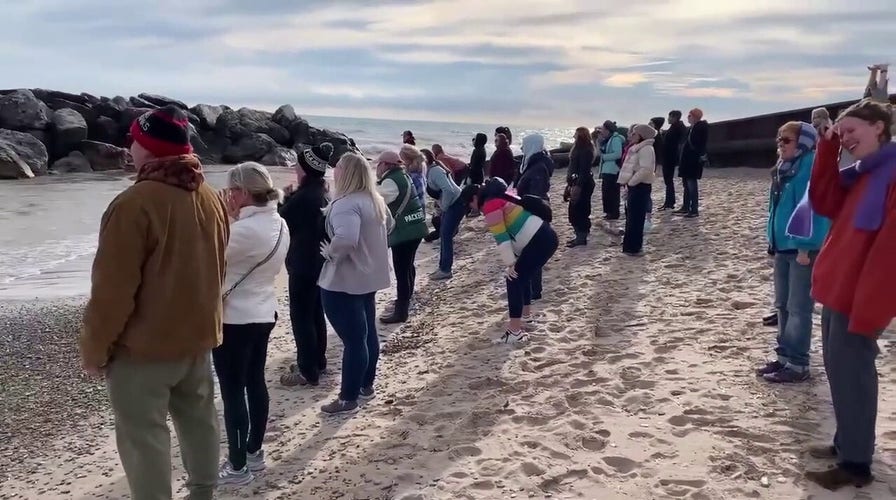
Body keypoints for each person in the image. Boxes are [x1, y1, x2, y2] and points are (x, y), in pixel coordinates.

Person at [79, 106, 228, 500]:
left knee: (144, 438)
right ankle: (203, 493)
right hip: (198, 340)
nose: (129, 145)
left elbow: (112, 292)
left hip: (143, 350)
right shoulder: (211, 198)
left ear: (149, 147)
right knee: (200, 423)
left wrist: (95, 350)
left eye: (135, 139)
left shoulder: (133, 205)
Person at [800, 99, 896, 490]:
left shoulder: (890, 173)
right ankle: (847, 443)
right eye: (844, 134)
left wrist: (869, 308)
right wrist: (827, 148)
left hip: (858, 295)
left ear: (880, 127)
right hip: (838, 288)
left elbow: (890, 252)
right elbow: (824, 200)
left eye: (853, 130)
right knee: (840, 371)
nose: (848, 139)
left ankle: (856, 465)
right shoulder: (862, 173)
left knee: (854, 375)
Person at [215, 162, 289, 485]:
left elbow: (211, 257)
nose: (228, 196)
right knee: (255, 382)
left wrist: (223, 216)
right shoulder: (280, 223)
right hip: (263, 311)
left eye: (231, 190)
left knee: (232, 391)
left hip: (236, 317)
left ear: (243, 192)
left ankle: (237, 466)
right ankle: (255, 453)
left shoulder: (241, 230)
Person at [318, 152, 392, 414]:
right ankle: (365, 385)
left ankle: (348, 398)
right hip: (369, 277)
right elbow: (389, 227)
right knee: (367, 334)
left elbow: (347, 238)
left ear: (345, 173)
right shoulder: (375, 200)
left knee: (354, 339)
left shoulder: (346, 204)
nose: (333, 171)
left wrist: (330, 253)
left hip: (344, 280)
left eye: (337, 167)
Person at [755, 122, 829, 384]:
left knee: (799, 307)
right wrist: (771, 241)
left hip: (801, 249)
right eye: (778, 140)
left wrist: (806, 247)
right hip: (783, 245)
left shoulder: (809, 167)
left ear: (803, 142)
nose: (780, 145)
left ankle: (798, 364)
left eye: (786, 140)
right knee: (783, 306)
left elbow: (814, 210)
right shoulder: (784, 169)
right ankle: (784, 357)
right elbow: (775, 209)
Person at [466, 178, 559, 342]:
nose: (471, 208)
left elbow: (501, 237)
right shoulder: (501, 198)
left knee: (513, 279)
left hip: (539, 240)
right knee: (522, 276)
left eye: (469, 205)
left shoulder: (490, 205)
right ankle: (526, 315)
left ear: (474, 198)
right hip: (545, 235)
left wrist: (510, 264)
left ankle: (514, 331)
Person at [278, 143, 332, 387]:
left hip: (303, 263)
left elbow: (282, 221)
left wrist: (284, 198)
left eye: (298, 167)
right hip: (319, 261)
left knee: (301, 317)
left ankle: (307, 369)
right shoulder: (321, 192)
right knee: (315, 313)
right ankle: (317, 361)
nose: (295, 171)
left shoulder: (305, 196)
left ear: (306, 170)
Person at [375, 151, 428, 323]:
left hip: (405, 231)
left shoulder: (391, 181)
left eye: (379, 164)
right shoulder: (403, 176)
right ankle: (407, 299)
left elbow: (376, 201)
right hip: (416, 226)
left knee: (402, 271)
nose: (377, 168)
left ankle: (401, 311)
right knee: (408, 266)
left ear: (386, 165)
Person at [514, 133, 553, 299]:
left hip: (534, 214)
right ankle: (531, 288)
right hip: (531, 211)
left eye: (524, 145)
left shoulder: (538, 167)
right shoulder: (533, 163)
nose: (522, 148)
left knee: (532, 252)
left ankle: (534, 290)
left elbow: (536, 196)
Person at [617, 124, 656, 256]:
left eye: (634, 133)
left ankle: (633, 248)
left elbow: (646, 169)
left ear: (641, 135)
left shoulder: (646, 149)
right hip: (634, 186)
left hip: (640, 186)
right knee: (631, 217)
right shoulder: (638, 148)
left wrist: (632, 181)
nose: (631, 135)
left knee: (636, 218)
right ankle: (629, 247)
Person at [427, 149, 466, 280]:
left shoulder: (434, 171)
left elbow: (448, 190)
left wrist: (444, 206)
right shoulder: (433, 169)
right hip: (455, 202)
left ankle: (445, 269)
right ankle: (443, 267)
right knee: (444, 235)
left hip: (456, 203)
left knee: (446, 235)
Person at [565, 126, 596, 247]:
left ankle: (581, 237)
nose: (574, 136)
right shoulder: (581, 149)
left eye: (576, 135)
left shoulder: (585, 150)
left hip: (583, 183)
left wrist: (578, 186)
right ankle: (579, 235)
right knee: (575, 210)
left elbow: (584, 170)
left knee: (580, 210)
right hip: (577, 182)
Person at [677, 108, 709, 218]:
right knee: (686, 184)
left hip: (693, 161)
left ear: (695, 117)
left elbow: (698, 145)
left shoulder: (700, 128)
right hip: (687, 161)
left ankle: (694, 209)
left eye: (689, 116)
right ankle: (686, 206)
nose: (688, 118)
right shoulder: (691, 128)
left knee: (691, 185)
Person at [597, 121, 625, 220]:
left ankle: (614, 213)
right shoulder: (607, 140)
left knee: (612, 192)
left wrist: (605, 157)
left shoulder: (615, 139)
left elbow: (618, 154)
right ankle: (609, 212)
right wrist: (598, 142)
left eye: (603, 129)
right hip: (607, 169)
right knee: (606, 192)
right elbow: (600, 152)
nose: (602, 131)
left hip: (613, 169)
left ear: (608, 130)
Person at [660, 110, 686, 210]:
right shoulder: (674, 127)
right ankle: (669, 201)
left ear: (675, 117)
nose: (668, 119)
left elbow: (678, 143)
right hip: (668, 157)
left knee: (668, 180)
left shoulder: (678, 128)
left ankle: (669, 202)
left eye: (670, 117)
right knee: (668, 181)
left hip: (670, 157)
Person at [400, 144, 427, 211]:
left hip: (415, 210)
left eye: (401, 159)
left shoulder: (413, 177)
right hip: (421, 207)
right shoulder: (420, 172)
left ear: (409, 160)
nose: (400, 161)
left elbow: (410, 197)